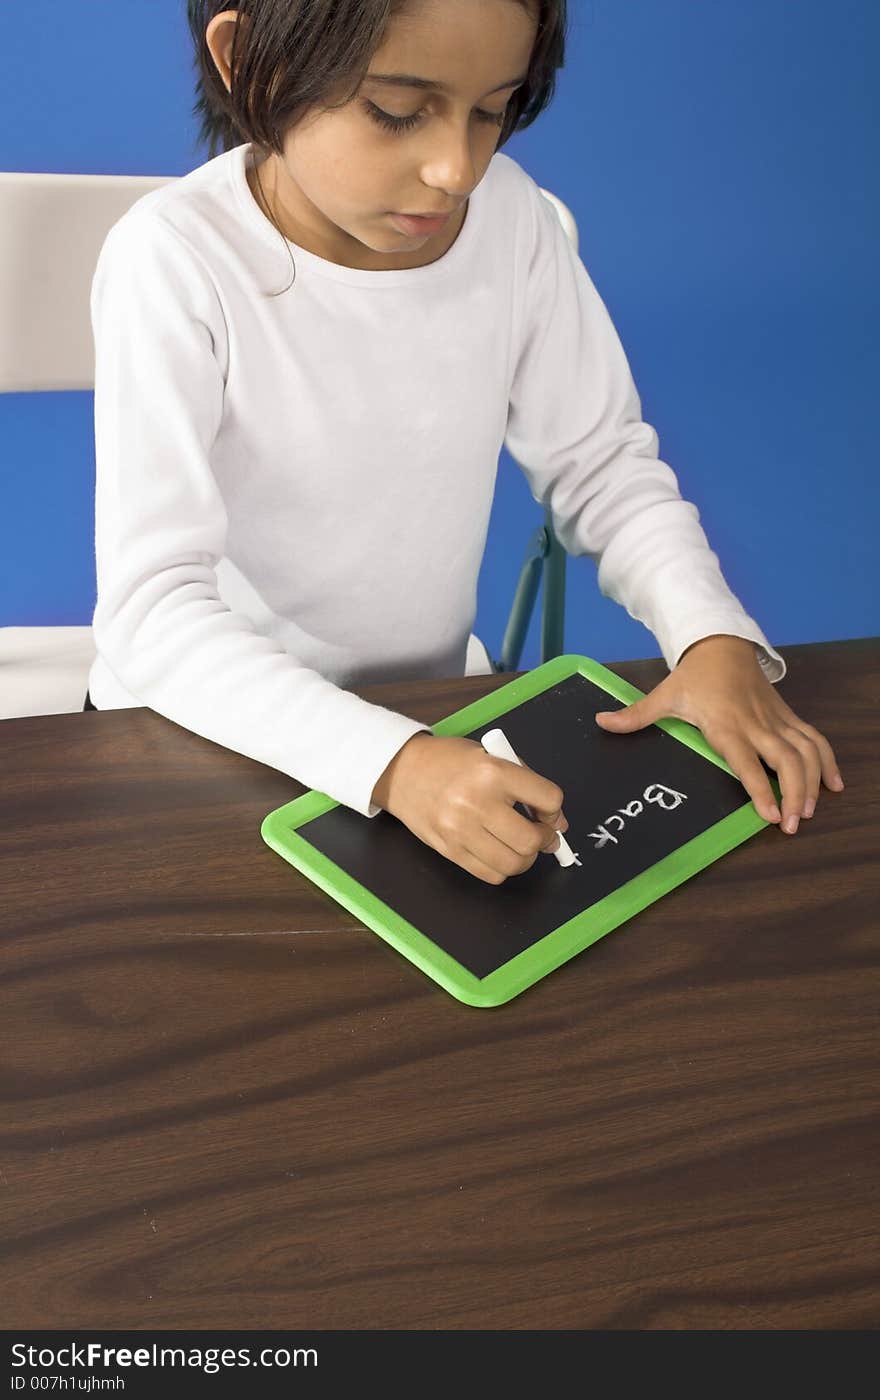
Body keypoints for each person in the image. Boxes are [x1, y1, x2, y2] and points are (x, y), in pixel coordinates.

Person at [85, 0, 843, 886]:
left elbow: (602, 467)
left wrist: (709, 637)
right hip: (201, 739)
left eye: (492, 110)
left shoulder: (514, 222)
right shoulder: (173, 260)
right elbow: (152, 612)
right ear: (250, 60)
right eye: (397, 111)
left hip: (433, 721)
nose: (457, 169)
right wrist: (394, 763)